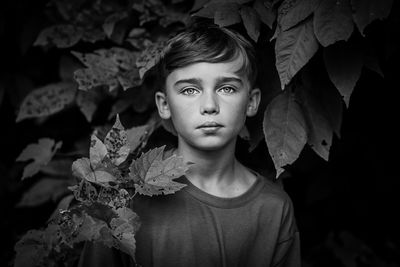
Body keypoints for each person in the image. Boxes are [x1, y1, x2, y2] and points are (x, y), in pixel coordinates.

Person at [78, 23, 300, 267]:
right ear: (164, 105)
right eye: (190, 90)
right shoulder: (125, 199)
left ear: (251, 101)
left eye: (227, 88)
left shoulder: (274, 208)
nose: (209, 105)